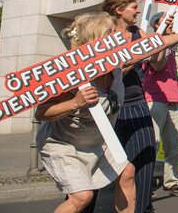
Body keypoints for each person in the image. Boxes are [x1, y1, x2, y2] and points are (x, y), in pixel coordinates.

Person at [102, 0, 178, 212]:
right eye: (132, 7)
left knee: (145, 161)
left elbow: (156, 53)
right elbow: (111, 71)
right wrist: (141, 54)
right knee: (109, 169)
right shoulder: (103, 33)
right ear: (119, 10)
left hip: (137, 104)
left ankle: (144, 206)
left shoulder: (138, 32)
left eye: (138, 6)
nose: (138, 10)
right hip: (111, 108)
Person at [36, 12, 136, 213]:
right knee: (82, 196)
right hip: (64, 145)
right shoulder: (69, 75)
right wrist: (75, 102)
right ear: (96, 39)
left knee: (127, 172)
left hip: (97, 142)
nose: (118, 34)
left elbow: (150, 48)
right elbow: (42, 112)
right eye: (112, 31)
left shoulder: (115, 65)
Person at [141, 11, 178, 194]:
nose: (171, 23)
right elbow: (157, 65)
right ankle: (143, 181)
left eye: (172, 20)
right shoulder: (151, 42)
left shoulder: (170, 44)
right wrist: (166, 43)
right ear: (156, 25)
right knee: (154, 142)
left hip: (171, 99)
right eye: (167, 20)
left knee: (173, 143)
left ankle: (172, 180)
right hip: (154, 98)